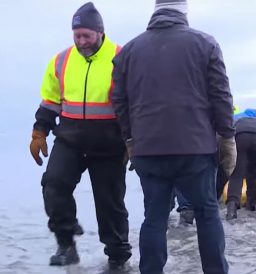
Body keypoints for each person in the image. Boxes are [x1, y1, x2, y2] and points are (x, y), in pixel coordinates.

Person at [111, 0, 236, 273]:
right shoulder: (206, 44)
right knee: (207, 213)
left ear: (156, 10)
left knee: (154, 218)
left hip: (148, 150)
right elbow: (221, 96)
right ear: (184, 11)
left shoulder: (128, 52)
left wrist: (130, 139)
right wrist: (227, 137)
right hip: (195, 149)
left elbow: (119, 100)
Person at [28, 2, 131, 268]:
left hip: (109, 143)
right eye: (77, 36)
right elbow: (50, 101)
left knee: (110, 203)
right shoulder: (61, 60)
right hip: (70, 139)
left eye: (87, 35)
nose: (81, 41)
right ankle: (66, 243)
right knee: (53, 185)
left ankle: (117, 257)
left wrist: (135, 140)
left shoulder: (121, 57)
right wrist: (39, 131)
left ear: (100, 32)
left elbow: (133, 104)